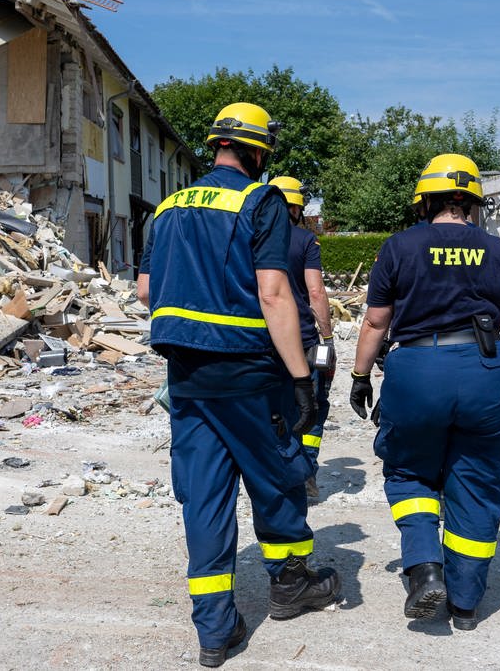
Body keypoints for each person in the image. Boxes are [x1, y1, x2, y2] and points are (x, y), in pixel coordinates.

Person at [138, 103, 341, 667]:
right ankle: (290, 585)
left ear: (215, 145)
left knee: (203, 494)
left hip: (187, 376)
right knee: (276, 474)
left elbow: (144, 292)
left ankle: (214, 629)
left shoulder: (171, 205)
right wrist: (302, 376)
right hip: (249, 372)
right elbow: (275, 293)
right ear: (257, 152)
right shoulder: (261, 200)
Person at [347, 153, 500, 632]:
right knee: (479, 479)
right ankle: (466, 605)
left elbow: (375, 321)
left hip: (415, 371)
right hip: (485, 372)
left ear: (425, 201)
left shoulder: (399, 247)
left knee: (408, 472)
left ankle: (425, 568)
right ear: (471, 202)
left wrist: (360, 376)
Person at [268, 176, 336, 500]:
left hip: (264, 341)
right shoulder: (305, 241)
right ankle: (305, 475)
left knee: (271, 408)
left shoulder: (254, 237)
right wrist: (328, 338)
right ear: (296, 208)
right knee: (312, 408)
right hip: (304, 341)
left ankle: (272, 473)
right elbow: (316, 292)